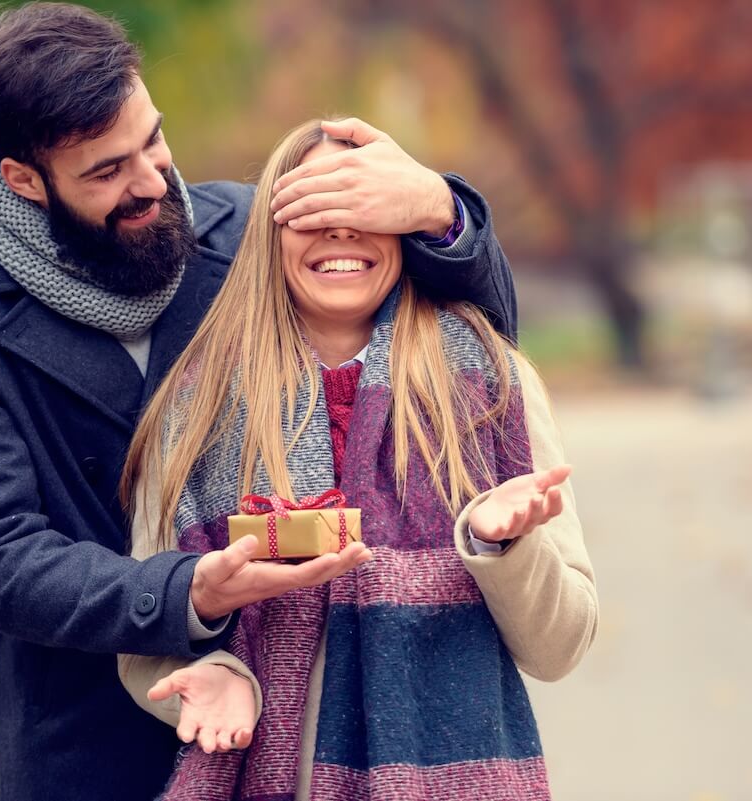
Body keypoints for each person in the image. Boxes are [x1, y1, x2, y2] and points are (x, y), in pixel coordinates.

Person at [0, 4, 518, 800]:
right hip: (95, 741)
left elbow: (479, 350)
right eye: (107, 171)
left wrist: (441, 213)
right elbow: (0, 557)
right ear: (24, 179)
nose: (152, 181)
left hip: (294, 724)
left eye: (152, 140)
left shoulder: (246, 227)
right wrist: (188, 591)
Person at [118, 120, 597, 801]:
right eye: (312, 209)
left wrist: (505, 547)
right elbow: (144, 621)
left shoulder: (492, 382)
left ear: (402, 225)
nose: (340, 230)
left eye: (363, 207)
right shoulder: (195, 406)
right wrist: (217, 675)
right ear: (268, 236)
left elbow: (561, 646)